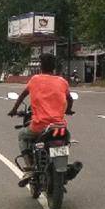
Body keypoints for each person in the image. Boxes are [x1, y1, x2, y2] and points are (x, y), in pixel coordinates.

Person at [8, 53, 74, 187]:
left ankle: (30, 168)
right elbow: (70, 99)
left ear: (41, 66)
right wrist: (68, 110)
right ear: (54, 67)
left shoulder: (35, 79)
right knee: (66, 141)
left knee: (22, 136)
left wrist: (14, 110)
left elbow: (22, 95)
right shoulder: (62, 81)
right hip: (59, 126)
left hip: (40, 126)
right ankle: (63, 167)